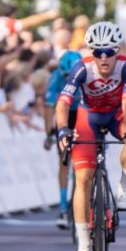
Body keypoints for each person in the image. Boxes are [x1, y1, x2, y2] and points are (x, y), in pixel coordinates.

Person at [47, 21, 126, 251]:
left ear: (117, 51)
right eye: (97, 52)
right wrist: (63, 130)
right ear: (90, 52)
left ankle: (124, 186)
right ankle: (83, 245)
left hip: (117, 115)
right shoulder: (82, 68)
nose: (103, 58)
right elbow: (63, 103)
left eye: (109, 52)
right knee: (83, 179)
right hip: (89, 117)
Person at [43, 28, 82, 229]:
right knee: (64, 160)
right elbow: (50, 107)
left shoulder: (85, 73)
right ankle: (62, 205)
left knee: (87, 156)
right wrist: (49, 132)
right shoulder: (57, 76)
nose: (70, 81)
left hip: (82, 111)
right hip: (65, 111)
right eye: (67, 76)